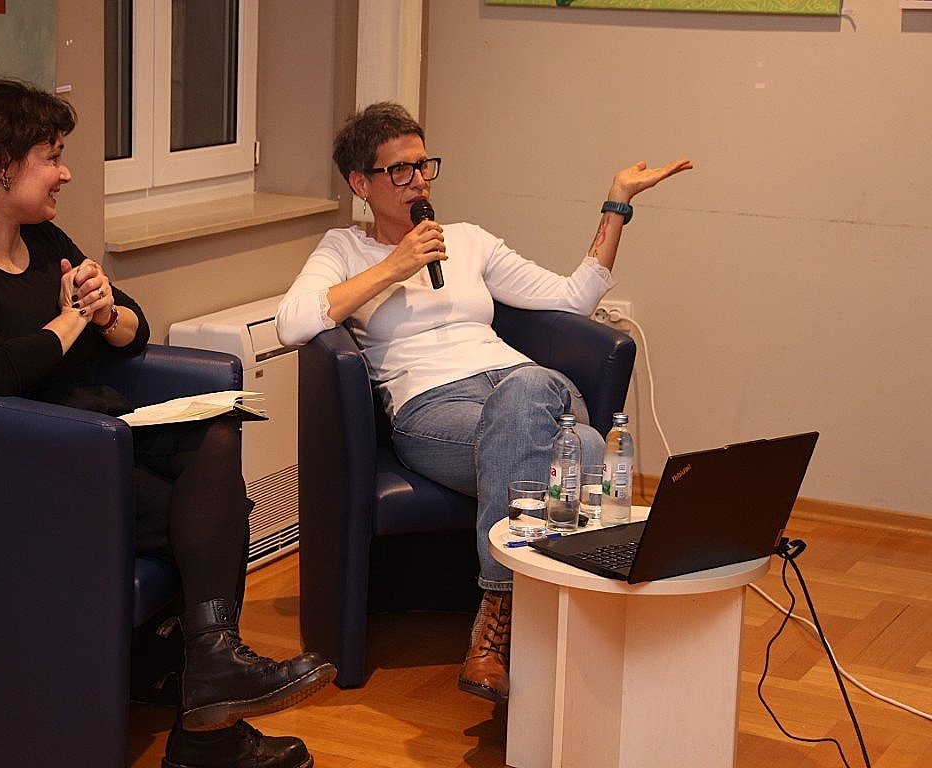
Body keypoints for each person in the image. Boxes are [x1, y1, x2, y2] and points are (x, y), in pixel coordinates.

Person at [0, 79, 333, 768]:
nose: (65, 172)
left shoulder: (43, 240)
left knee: (217, 439)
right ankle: (208, 726)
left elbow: (135, 330)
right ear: (2, 166)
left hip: (93, 445)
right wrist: (73, 316)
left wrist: (105, 311)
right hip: (21, 473)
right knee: (215, 512)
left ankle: (212, 675)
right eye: (51, 156)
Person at [275, 101, 691, 704]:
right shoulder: (343, 249)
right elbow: (292, 323)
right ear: (360, 183)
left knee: (527, 389)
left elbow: (573, 298)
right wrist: (395, 265)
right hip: (433, 409)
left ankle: (497, 612)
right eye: (400, 170)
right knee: (586, 449)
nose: (419, 181)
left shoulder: (468, 241)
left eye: (424, 165)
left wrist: (617, 202)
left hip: (523, 384)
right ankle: (580, 633)